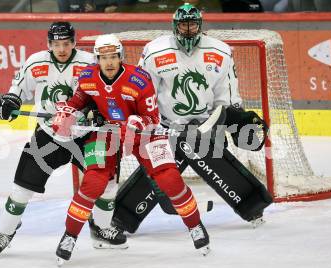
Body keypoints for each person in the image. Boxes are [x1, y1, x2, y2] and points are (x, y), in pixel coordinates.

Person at [111, 3, 272, 234]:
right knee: (160, 169)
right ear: (175, 25)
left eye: (192, 24)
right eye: (184, 24)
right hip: (167, 127)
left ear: (200, 25)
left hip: (205, 126)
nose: (188, 29)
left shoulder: (220, 52)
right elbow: (144, 93)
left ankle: (253, 206)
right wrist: (145, 121)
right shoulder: (155, 51)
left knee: (208, 156)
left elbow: (225, 97)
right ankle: (122, 217)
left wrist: (228, 122)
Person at [52, 34, 210, 265]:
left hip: (145, 134)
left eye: (113, 57)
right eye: (104, 58)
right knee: (94, 181)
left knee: (170, 179)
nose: (109, 62)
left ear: (121, 56)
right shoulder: (87, 76)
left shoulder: (139, 79)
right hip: (107, 132)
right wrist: (67, 111)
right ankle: (70, 236)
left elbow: (153, 117)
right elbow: (79, 100)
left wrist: (137, 123)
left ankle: (195, 225)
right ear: (97, 59)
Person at [0, 21, 114, 254]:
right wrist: (9, 102)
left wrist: (97, 111)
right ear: (49, 44)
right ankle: (6, 232)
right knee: (21, 190)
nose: (62, 49)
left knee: (107, 184)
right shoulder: (35, 62)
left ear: (74, 42)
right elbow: (17, 90)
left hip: (84, 136)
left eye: (66, 44)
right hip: (49, 134)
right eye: (56, 44)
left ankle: (102, 228)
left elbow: (104, 94)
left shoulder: (89, 63)